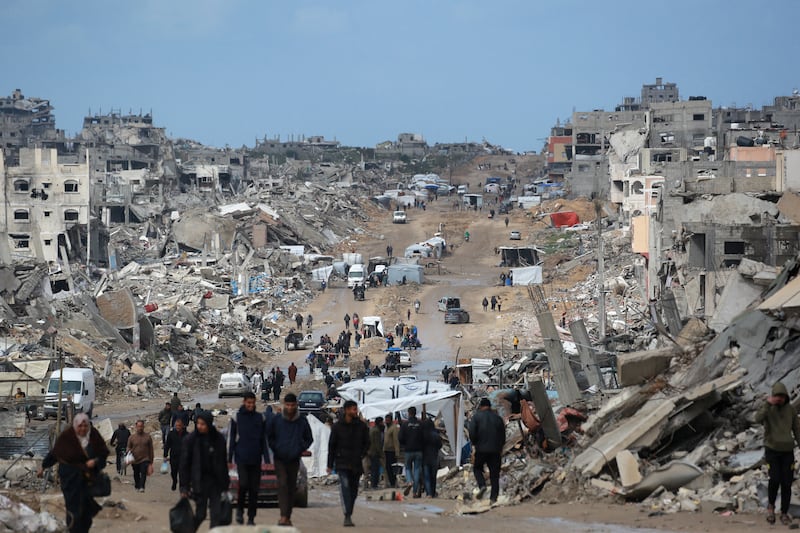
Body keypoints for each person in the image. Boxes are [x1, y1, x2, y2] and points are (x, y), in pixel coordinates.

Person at [38, 413, 109, 533]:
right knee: (73, 508)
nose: (82, 429)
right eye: (80, 426)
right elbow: (55, 454)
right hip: (69, 479)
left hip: (88, 480)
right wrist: (43, 466)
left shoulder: (94, 438)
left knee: (86, 511)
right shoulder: (66, 438)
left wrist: (95, 462)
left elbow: (103, 455)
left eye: (85, 426)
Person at [755, 381, 800, 525]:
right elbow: (757, 419)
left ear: (786, 396)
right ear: (773, 396)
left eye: (782, 396)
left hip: (787, 451)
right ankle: (770, 508)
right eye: (777, 396)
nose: (780, 398)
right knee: (774, 480)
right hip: (772, 451)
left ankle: (784, 512)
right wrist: (768, 404)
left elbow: (797, 430)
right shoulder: (768, 409)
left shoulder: (791, 410)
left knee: (787, 483)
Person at [267, 393, 313, 527]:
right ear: (284, 405)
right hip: (280, 458)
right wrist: (276, 448)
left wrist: (300, 448)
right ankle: (283, 516)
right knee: (282, 484)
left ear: (296, 405)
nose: (290, 407)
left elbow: (309, 438)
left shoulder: (302, 421)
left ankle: (287, 516)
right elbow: (270, 437)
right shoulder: (277, 420)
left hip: (294, 458)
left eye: (293, 405)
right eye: (288, 405)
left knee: (291, 487)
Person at [180, 411, 230, 531]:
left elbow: (223, 462)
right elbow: (184, 465)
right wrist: (184, 487)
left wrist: (226, 483)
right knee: (200, 514)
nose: (199, 426)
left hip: (216, 483)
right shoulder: (191, 440)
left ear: (209, 424)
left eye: (203, 424)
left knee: (216, 515)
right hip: (199, 482)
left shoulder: (218, 439)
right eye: (198, 423)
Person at [228, 392, 269, 526]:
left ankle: (251, 518)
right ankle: (239, 510)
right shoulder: (236, 418)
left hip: (256, 458)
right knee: (244, 484)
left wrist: (267, 459)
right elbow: (231, 439)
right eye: (248, 403)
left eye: (252, 403)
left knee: (254, 490)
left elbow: (264, 440)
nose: (250, 405)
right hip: (242, 457)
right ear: (244, 402)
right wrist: (229, 458)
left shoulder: (260, 418)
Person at [328, 400, 370, 527]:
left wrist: (362, 454)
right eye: (352, 409)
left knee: (354, 490)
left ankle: (349, 511)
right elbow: (332, 446)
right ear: (346, 410)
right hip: (342, 463)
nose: (355, 411)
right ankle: (347, 515)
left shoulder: (361, 427)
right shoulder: (337, 427)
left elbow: (367, 443)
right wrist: (329, 464)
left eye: (355, 409)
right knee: (345, 487)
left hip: (356, 463)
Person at [468, 398, 506, 504]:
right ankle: (493, 498)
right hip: (495, 450)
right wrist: (500, 447)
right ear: (490, 406)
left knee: (477, 468)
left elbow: (472, 432)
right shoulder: (498, 418)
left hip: (481, 449)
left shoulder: (476, 417)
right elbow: (503, 435)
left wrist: (475, 444)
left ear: (481, 406)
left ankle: (482, 485)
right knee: (494, 474)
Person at [399, 406, 424, 498]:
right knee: (417, 469)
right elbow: (423, 437)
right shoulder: (420, 424)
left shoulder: (405, 425)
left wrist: (405, 444)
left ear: (409, 413)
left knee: (408, 468)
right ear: (415, 413)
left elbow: (400, 438)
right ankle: (414, 492)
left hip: (408, 450)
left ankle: (410, 481)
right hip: (419, 451)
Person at [127, 419, 154, 493]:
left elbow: (151, 449)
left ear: (143, 427)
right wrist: (128, 452)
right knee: (136, 474)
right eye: (138, 426)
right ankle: (137, 486)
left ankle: (142, 487)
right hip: (135, 460)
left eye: (141, 426)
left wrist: (151, 462)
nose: (140, 428)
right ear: (136, 427)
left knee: (143, 473)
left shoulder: (148, 437)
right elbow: (128, 447)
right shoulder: (131, 437)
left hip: (145, 459)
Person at [164, 418, 188, 491]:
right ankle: (174, 481)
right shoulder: (171, 434)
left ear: (182, 426)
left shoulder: (187, 435)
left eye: (179, 426)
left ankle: (181, 486)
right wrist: (165, 455)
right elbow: (167, 445)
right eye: (176, 425)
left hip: (183, 457)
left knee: (182, 473)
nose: (178, 427)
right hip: (174, 456)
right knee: (173, 472)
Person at [422, 415, 442, 498]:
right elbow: (440, 445)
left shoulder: (422, 435)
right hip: (434, 457)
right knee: (433, 476)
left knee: (426, 476)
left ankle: (428, 493)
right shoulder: (436, 434)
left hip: (425, 457)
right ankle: (433, 492)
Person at [383, 414, 400, 488]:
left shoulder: (394, 428)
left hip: (392, 451)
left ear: (391, 420)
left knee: (392, 468)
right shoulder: (386, 428)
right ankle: (390, 482)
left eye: (387, 420)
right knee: (387, 468)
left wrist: (397, 451)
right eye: (385, 420)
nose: (386, 421)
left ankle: (393, 482)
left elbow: (396, 440)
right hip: (386, 450)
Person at [368, 416, 385, 489]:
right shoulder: (376, 431)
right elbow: (377, 444)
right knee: (375, 470)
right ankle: (374, 485)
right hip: (374, 452)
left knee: (373, 469)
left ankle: (373, 484)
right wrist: (381, 454)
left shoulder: (372, 429)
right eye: (382, 422)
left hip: (371, 452)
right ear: (380, 422)